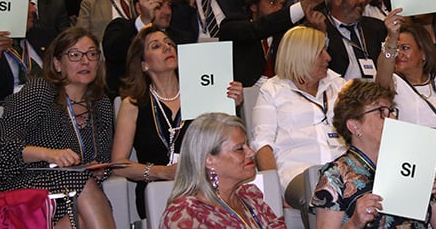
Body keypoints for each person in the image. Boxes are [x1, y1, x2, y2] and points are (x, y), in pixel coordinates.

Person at [0, 27, 116, 228]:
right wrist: (50, 154)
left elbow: (103, 159)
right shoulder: (39, 91)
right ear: (57, 64)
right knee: (81, 187)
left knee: (82, 211)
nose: (85, 61)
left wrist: (98, 169)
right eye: (75, 55)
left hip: (67, 192)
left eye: (92, 54)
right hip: (15, 184)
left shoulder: (101, 103)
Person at [111, 26, 244, 219]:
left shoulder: (204, 91)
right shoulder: (133, 104)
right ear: (143, 65)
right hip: (159, 192)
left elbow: (228, 143)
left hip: (206, 186)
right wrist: (163, 172)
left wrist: (234, 107)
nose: (166, 48)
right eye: (156, 46)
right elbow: (118, 164)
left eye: (169, 43)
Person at [311, 79, 436, 229]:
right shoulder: (335, 176)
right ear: (354, 126)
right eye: (381, 112)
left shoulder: (412, 164)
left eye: (391, 111)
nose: (392, 118)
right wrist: (354, 223)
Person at [251, 26, 347, 217]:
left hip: (344, 167)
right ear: (303, 55)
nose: (328, 57)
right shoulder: (273, 90)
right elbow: (263, 145)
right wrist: (275, 192)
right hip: (299, 172)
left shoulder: (338, 84)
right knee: (327, 194)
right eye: (321, 52)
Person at [162, 113, 286, 228]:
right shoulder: (186, 214)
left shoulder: (249, 197)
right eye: (239, 149)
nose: (251, 153)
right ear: (208, 160)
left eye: (247, 145)